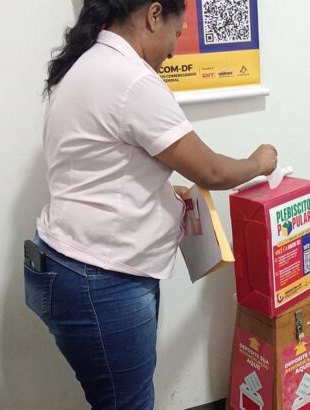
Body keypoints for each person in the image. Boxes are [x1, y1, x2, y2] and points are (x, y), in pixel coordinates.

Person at [23, 1, 278, 409]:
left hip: (69, 263)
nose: (174, 50)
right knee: (129, 404)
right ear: (153, 15)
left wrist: (158, 192)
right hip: (101, 277)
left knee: (118, 399)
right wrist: (259, 163)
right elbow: (212, 170)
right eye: (176, 34)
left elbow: (100, 167)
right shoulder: (131, 80)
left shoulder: (87, 64)